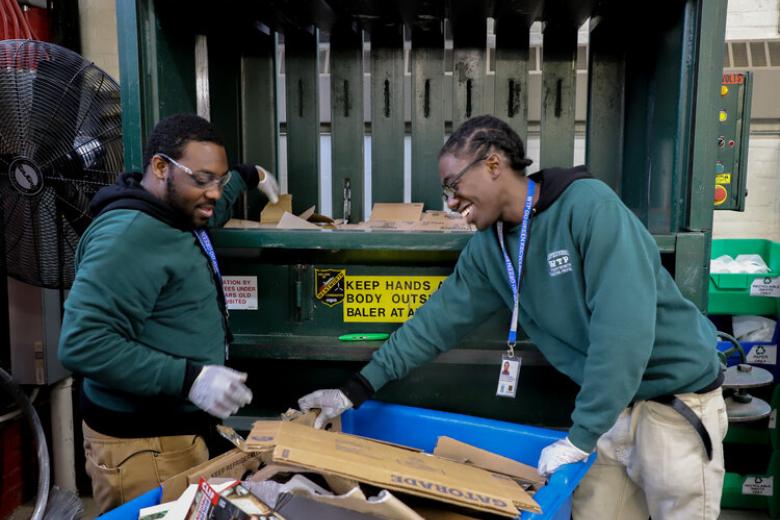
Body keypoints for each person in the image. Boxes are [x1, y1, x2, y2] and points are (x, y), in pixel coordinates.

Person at [298, 115, 727, 519]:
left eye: (453, 185)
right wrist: (356, 388)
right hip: (609, 415)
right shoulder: (491, 247)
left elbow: (623, 334)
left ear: (493, 163)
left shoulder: (589, 208)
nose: (450, 202)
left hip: (674, 404)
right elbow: (435, 323)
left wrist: (579, 438)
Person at [58, 113, 279, 513]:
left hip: (179, 433)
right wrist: (191, 379)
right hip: (142, 447)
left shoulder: (180, 213)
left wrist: (250, 175)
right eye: (202, 179)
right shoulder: (129, 236)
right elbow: (82, 344)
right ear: (161, 167)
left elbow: (215, 201)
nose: (213, 193)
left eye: (220, 179)